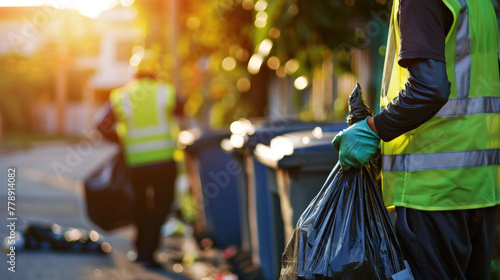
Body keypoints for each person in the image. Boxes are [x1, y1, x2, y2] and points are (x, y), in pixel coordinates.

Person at [333, 0, 499, 279]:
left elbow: (429, 88)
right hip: (480, 189)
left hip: (431, 192)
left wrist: (373, 128)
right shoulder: (479, 3)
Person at [95, 49, 180, 268]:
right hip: (163, 160)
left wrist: (123, 141)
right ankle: (148, 251)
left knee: (141, 206)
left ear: (134, 72)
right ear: (155, 71)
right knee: (162, 205)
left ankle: (141, 249)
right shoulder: (165, 91)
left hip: (136, 163)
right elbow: (183, 108)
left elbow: (100, 125)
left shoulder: (122, 95)